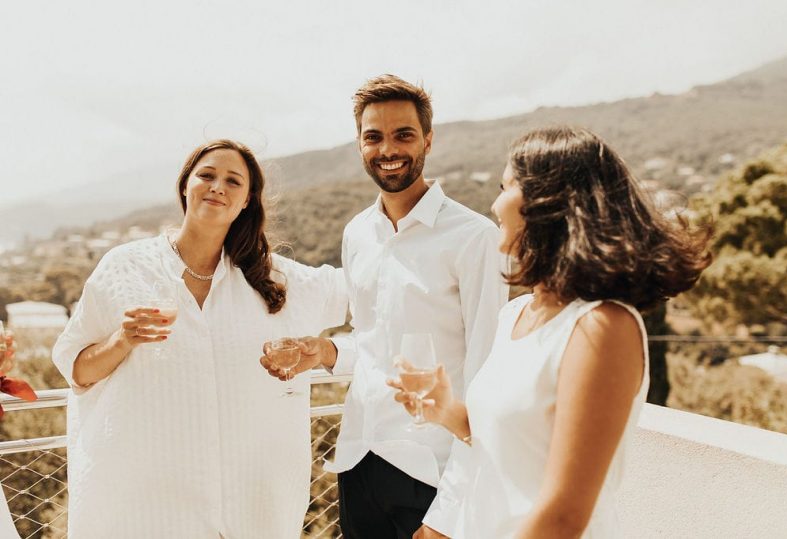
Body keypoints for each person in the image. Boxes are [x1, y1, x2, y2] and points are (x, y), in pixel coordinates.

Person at [391, 126, 713, 538]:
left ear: (549, 203)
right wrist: (448, 411)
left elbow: (564, 516)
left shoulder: (602, 327)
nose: (494, 204)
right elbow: (511, 447)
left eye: (506, 186)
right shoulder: (516, 313)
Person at [52, 139, 347, 539]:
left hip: (248, 505)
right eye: (206, 175)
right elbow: (78, 370)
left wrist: (332, 350)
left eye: (233, 181)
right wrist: (122, 340)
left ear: (247, 201)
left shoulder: (276, 280)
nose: (217, 186)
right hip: (145, 505)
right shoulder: (125, 268)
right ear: (184, 186)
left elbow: (366, 293)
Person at [264, 75, 508, 538]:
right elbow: (374, 344)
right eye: (373, 136)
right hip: (359, 460)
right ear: (359, 143)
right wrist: (325, 352)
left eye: (404, 134)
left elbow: (486, 378)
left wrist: (450, 512)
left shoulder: (475, 238)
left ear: (428, 140)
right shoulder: (358, 233)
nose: (388, 149)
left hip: (432, 473)